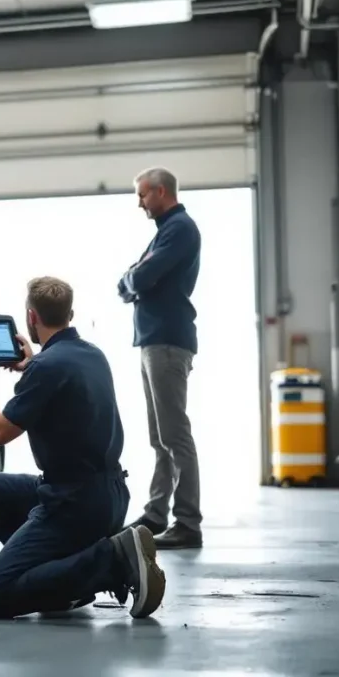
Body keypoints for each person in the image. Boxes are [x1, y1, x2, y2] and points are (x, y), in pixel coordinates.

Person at [0, 276, 166, 620]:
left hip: (73, 503)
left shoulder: (46, 367)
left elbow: (0, 431)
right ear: (71, 313)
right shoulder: (91, 355)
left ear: (31, 317)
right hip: (107, 494)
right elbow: (60, 380)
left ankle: (111, 560)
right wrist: (31, 362)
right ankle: (61, 584)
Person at [118, 166, 203, 550]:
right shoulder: (164, 233)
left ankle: (187, 522)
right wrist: (134, 278)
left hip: (167, 342)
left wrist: (134, 277)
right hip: (154, 341)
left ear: (162, 191)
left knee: (175, 435)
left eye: (142, 195)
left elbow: (140, 277)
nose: (139, 203)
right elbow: (130, 281)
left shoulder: (180, 229)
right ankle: (156, 514)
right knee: (159, 437)